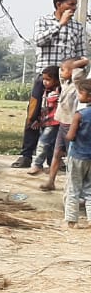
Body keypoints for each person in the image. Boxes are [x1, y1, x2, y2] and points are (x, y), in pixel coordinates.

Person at [15, 0, 89, 168]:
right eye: (71, 4)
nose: (74, 8)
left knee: (62, 118)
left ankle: (56, 158)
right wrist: (60, 24)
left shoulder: (78, 28)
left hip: (66, 80)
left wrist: (75, 66)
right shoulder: (44, 21)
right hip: (45, 76)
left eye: (75, 4)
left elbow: (83, 56)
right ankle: (26, 155)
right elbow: (39, 41)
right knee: (34, 115)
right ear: (59, 4)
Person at [44, 57, 89, 191]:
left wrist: (78, 63)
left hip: (71, 126)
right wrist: (66, 67)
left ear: (72, 71)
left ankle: (75, 187)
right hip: (62, 124)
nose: (61, 72)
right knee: (57, 153)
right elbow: (61, 74)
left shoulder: (77, 84)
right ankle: (51, 181)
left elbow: (77, 72)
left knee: (72, 157)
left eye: (64, 70)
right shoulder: (65, 83)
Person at [64, 79, 91, 228]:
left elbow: (71, 136)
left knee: (73, 188)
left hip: (78, 155)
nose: (78, 95)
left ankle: (72, 220)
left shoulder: (79, 115)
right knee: (90, 189)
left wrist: (65, 138)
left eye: (80, 92)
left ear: (88, 96)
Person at [28, 67, 63, 175]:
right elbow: (43, 108)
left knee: (43, 143)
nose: (44, 82)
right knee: (50, 145)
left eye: (48, 79)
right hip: (45, 121)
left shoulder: (60, 91)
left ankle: (37, 165)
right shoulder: (45, 91)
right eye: (43, 79)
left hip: (54, 123)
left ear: (57, 80)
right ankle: (51, 165)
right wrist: (38, 120)